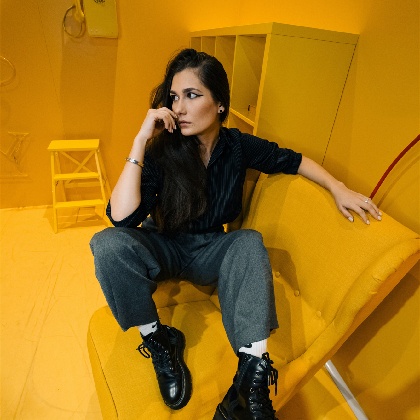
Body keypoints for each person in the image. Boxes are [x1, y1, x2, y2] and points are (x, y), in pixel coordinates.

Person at [90, 48, 381, 419]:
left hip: (211, 247)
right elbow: (121, 218)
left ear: (220, 104)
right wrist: (140, 141)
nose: (179, 108)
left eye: (192, 95)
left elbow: (292, 160)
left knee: (248, 241)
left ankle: (248, 386)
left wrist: (338, 187)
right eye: (174, 97)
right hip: (163, 245)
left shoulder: (238, 146)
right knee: (107, 244)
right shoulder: (162, 151)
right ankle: (160, 339)